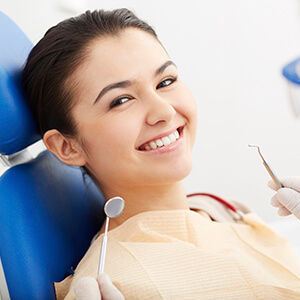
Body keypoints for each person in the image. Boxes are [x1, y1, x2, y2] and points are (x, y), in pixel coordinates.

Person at [22, 8, 300, 299]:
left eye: (165, 82)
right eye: (120, 100)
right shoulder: (113, 285)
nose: (164, 111)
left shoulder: (218, 209)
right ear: (68, 147)